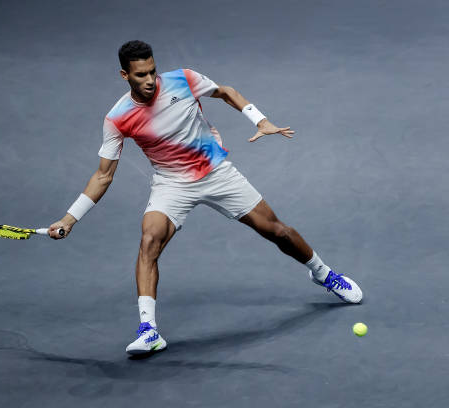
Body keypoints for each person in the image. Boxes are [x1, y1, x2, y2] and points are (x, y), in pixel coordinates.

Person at [49, 40, 362, 355]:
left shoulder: (183, 79)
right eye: (140, 75)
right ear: (124, 75)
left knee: (276, 230)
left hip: (216, 172)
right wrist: (69, 218)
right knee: (149, 241)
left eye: (152, 71)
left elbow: (225, 92)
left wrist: (260, 120)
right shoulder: (118, 118)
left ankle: (324, 274)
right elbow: (103, 175)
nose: (149, 81)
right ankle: (149, 330)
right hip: (172, 184)